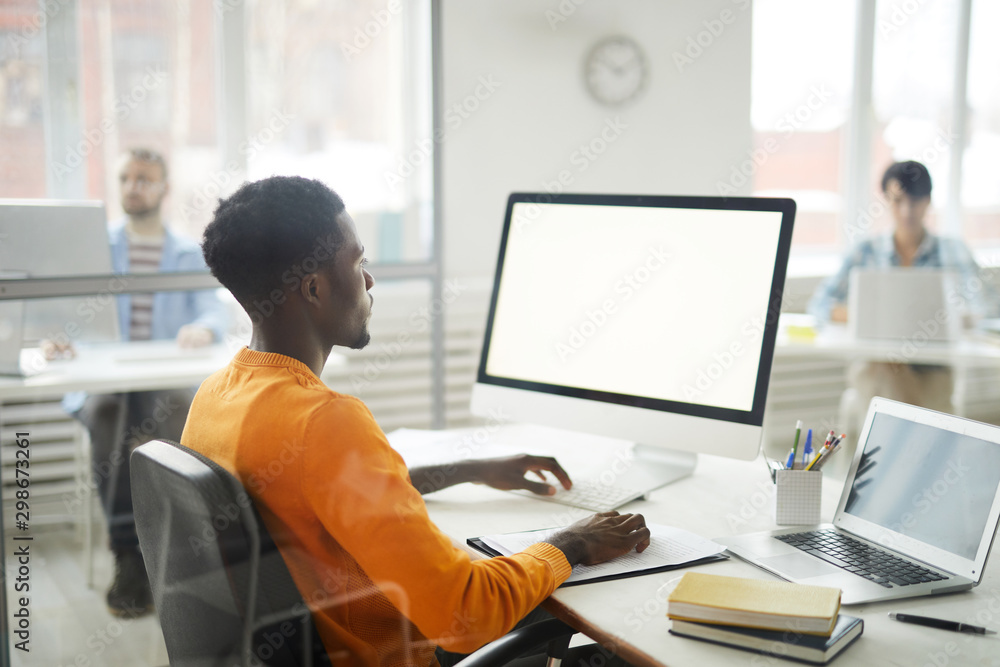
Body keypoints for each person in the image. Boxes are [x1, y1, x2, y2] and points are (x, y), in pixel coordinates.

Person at [183, 175, 650, 666]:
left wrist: (470, 469)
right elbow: (465, 615)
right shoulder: (324, 421)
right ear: (315, 288)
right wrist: (572, 542)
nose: (368, 280)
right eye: (359, 262)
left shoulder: (217, 395)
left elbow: (317, 497)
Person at [62, 148, 228, 617]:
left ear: (163, 188)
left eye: (144, 178)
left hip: (159, 382)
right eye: (126, 178)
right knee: (106, 413)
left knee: (179, 408)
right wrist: (61, 337)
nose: (133, 186)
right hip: (104, 381)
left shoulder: (183, 252)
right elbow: (67, 311)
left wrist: (206, 328)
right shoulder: (95, 248)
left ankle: (174, 548)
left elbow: (212, 307)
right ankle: (129, 556)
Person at [808, 160, 997, 435]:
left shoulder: (953, 251)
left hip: (933, 370)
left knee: (890, 389)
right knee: (885, 369)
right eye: (898, 201)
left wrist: (958, 317)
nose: (907, 210)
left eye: (915, 200)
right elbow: (821, 305)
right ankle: (917, 451)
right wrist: (864, 313)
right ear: (885, 200)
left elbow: (989, 309)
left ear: (928, 201)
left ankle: (890, 457)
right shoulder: (865, 252)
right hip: (874, 365)